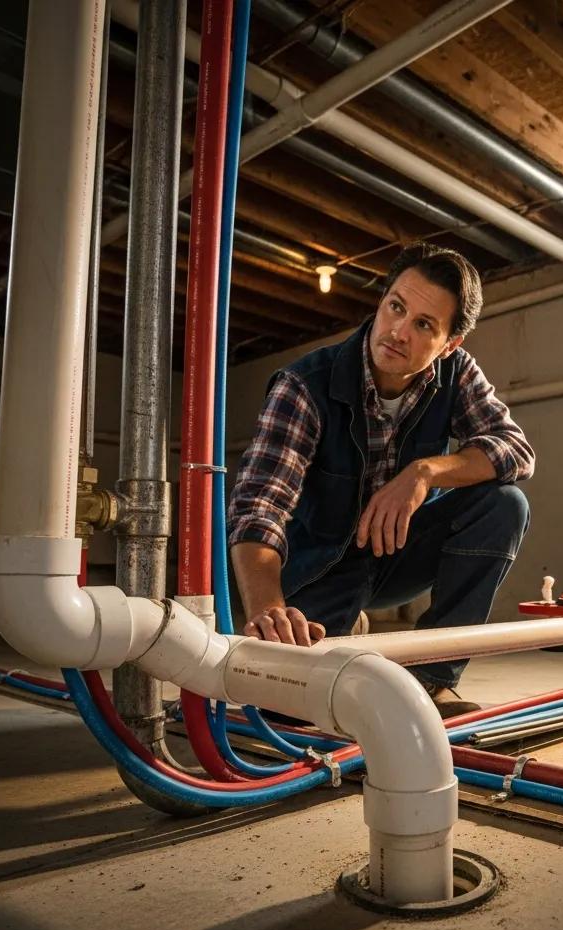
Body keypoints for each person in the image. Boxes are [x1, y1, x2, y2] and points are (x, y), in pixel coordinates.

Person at [227, 242, 534, 717]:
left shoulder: (456, 373)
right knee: (289, 705)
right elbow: (258, 507)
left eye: (424, 325)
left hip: (396, 554)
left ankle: (433, 679)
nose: (397, 331)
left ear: (450, 344)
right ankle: (344, 620)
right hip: (318, 566)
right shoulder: (304, 384)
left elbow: (515, 449)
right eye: (396, 307)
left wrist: (424, 472)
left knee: (505, 504)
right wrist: (268, 609)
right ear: (382, 300)